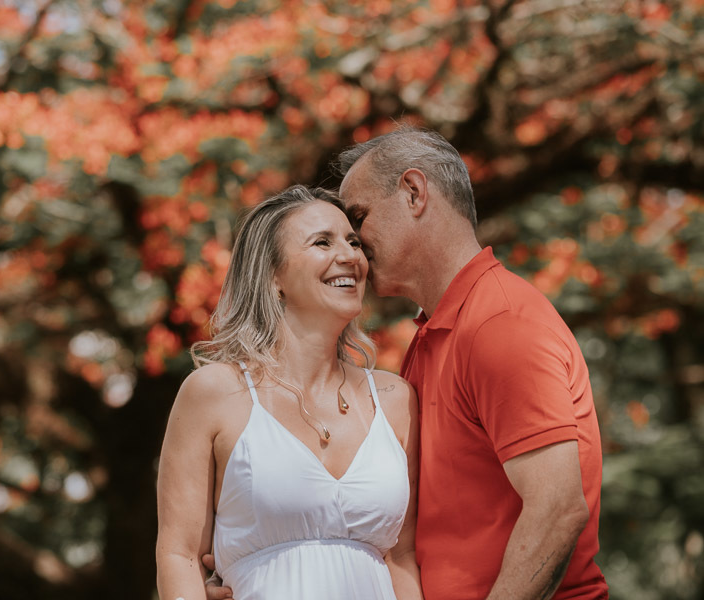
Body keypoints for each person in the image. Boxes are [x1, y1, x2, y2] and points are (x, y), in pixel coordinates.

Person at [205, 125, 608, 600]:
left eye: (359, 219)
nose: (353, 248)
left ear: (414, 193)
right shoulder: (433, 338)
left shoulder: (499, 324)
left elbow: (558, 509)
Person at [155, 185, 423, 600]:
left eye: (353, 241)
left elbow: (403, 556)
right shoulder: (214, 393)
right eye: (322, 242)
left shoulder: (395, 397)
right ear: (274, 276)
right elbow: (180, 555)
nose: (351, 256)